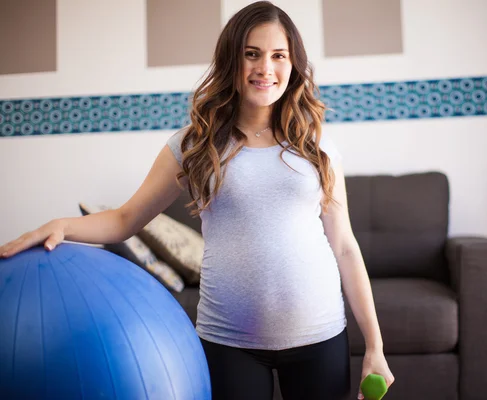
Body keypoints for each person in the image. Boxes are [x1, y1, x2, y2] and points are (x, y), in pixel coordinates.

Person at [0, 1, 394, 399]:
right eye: (251, 54)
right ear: (231, 60)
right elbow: (125, 220)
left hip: (320, 334)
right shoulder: (195, 144)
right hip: (229, 343)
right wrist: (60, 226)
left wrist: (375, 346)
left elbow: (343, 245)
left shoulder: (317, 144)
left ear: (293, 65)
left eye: (279, 56)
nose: (265, 68)